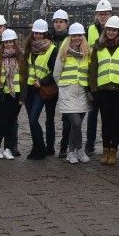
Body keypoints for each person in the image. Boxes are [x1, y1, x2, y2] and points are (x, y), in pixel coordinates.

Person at [89, 14, 119, 165]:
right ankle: (105, 150)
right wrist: (94, 90)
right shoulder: (98, 46)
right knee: (105, 122)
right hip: (103, 90)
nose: (111, 32)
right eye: (109, 30)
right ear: (105, 31)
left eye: (114, 30)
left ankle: (114, 150)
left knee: (117, 122)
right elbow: (93, 69)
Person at [0, 29, 28, 159]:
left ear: (15, 43)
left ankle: (8, 148)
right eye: (6, 42)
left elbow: (24, 78)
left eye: (11, 42)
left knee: (10, 123)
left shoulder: (21, 58)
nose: (9, 44)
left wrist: (23, 97)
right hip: (1, 95)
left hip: (15, 96)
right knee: (1, 123)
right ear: (3, 43)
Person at [53, 22, 93, 163]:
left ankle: (71, 152)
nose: (77, 38)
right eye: (74, 35)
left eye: (79, 35)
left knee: (76, 126)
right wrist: (64, 87)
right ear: (70, 37)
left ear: (83, 36)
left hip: (82, 93)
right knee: (75, 123)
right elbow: (56, 74)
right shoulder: (63, 53)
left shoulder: (87, 53)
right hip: (68, 93)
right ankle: (80, 150)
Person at [25, 19, 59, 159]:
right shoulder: (29, 48)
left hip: (41, 88)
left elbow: (55, 71)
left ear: (45, 33)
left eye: (40, 33)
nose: (37, 36)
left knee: (34, 119)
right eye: (35, 33)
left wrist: (42, 81)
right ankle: (37, 147)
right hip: (29, 87)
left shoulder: (52, 49)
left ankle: (42, 148)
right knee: (31, 120)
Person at [85, 0, 113, 154]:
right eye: (100, 14)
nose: (103, 17)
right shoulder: (90, 30)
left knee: (107, 115)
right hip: (94, 76)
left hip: (109, 77)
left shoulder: (114, 30)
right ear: (96, 15)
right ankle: (90, 143)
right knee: (92, 114)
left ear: (110, 15)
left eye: (105, 14)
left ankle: (106, 145)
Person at [50, 9, 70, 157]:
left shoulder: (71, 39)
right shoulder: (49, 38)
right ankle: (49, 146)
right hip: (50, 82)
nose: (58, 24)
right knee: (49, 116)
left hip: (67, 82)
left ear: (66, 24)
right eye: (56, 22)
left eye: (61, 22)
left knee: (67, 117)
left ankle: (64, 146)